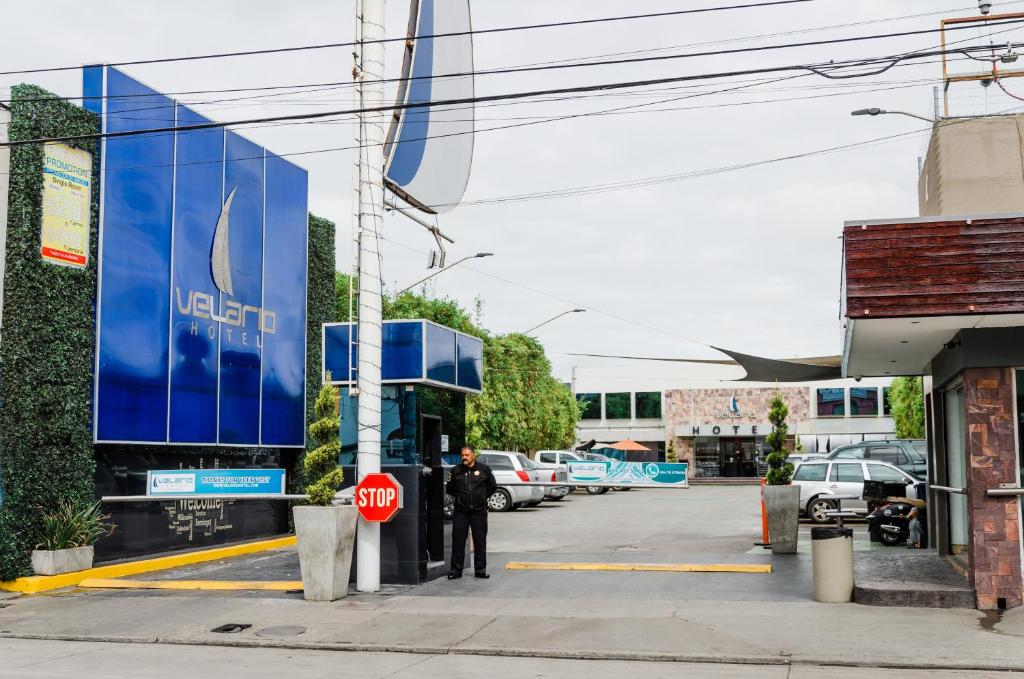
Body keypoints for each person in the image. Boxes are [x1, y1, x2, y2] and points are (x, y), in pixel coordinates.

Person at [446, 445, 497, 579]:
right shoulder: (456, 471)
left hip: (479, 512)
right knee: (458, 542)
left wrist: (481, 498)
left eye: (467, 455)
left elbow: (493, 486)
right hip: (461, 512)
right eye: (462, 455)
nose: (464, 457)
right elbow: (450, 489)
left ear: (473, 455)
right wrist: (460, 499)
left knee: (480, 541)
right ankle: (456, 571)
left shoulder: (484, 470)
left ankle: (480, 570)